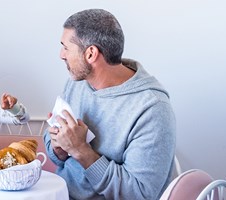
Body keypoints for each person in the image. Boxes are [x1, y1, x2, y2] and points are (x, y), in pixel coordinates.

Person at [43, 9, 176, 200]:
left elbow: (139, 193)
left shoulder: (153, 109)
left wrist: (81, 150)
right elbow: (55, 150)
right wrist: (59, 147)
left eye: (66, 47)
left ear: (90, 54)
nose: (61, 55)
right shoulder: (77, 83)